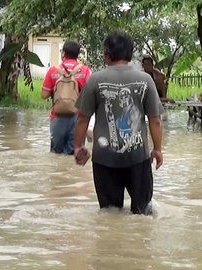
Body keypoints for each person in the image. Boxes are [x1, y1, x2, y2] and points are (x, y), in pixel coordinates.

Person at [73, 30, 164, 215]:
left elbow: (83, 117)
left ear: (107, 54)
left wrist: (77, 146)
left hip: (104, 159)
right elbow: (155, 120)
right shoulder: (145, 80)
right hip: (138, 158)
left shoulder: (95, 80)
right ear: (130, 53)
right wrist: (158, 149)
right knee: (143, 214)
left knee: (109, 214)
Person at [41, 41, 92, 155]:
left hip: (57, 117)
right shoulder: (85, 71)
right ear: (78, 54)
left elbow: (44, 95)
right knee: (74, 155)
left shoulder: (53, 71)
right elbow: (90, 95)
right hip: (78, 118)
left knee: (56, 154)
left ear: (63, 53)